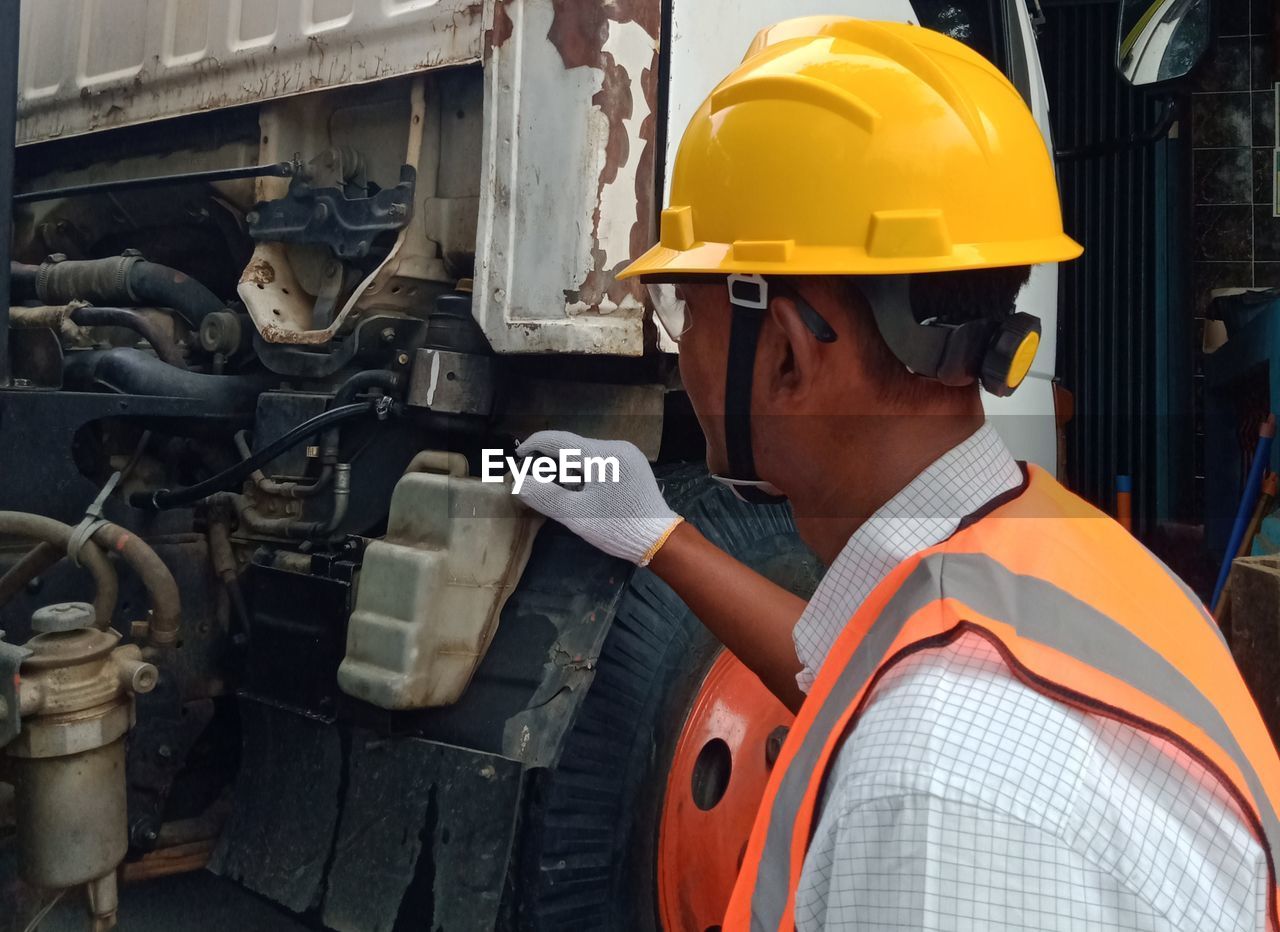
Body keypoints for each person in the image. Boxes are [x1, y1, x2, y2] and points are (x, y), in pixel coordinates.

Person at [515, 17, 1280, 932]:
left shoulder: (936, 795)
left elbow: (929, 723)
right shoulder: (1064, 562)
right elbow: (848, 666)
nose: (683, 354)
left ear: (788, 355)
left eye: (689, 311)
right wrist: (657, 535)